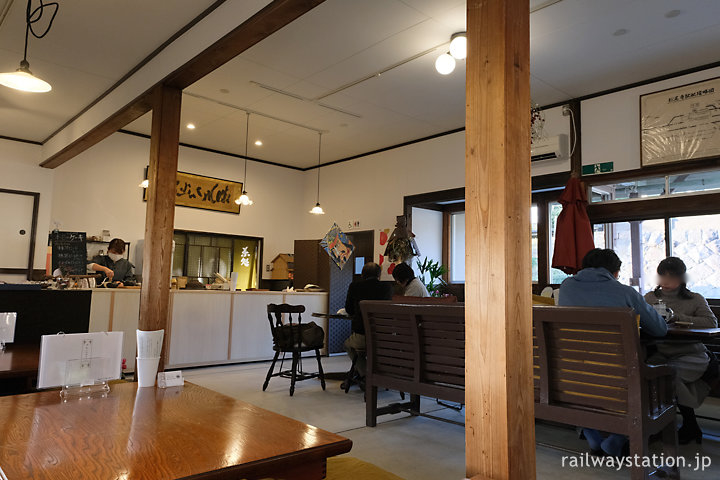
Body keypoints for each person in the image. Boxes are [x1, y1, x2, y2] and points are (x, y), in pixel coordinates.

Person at [559, 248, 667, 457]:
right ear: (615, 272)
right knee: (655, 375)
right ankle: (618, 439)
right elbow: (659, 329)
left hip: (574, 373)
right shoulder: (625, 292)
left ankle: (592, 434)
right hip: (617, 375)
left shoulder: (566, 287)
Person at [644, 257, 718, 445]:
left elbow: (711, 323)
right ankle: (668, 426)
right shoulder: (650, 298)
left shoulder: (695, 299)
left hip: (692, 353)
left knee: (668, 375)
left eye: (672, 277)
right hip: (663, 351)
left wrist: (677, 317)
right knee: (652, 375)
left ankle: (681, 425)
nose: (666, 282)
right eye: (663, 276)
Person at [344, 262, 393, 379]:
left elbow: (349, 309)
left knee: (348, 345)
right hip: (383, 336)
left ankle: (366, 374)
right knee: (372, 350)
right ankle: (375, 374)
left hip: (362, 335)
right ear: (379, 275)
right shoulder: (388, 288)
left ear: (362, 275)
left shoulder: (354, 286)